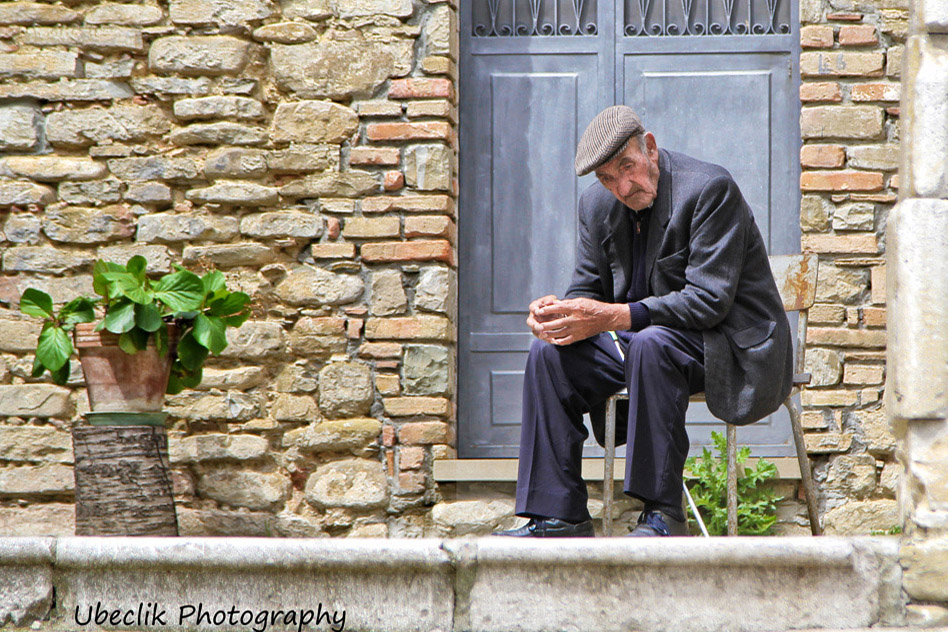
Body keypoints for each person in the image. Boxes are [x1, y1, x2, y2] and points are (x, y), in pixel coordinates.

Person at [494, 105, 793, 537]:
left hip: (727, 342)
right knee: (548, 353)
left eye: (627, 168)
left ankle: (663, 515)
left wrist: (614, 316)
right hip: (643, 342)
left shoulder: (710, 189)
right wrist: (559, 316)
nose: (622, 187)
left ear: (649, 148)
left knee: (652, 342)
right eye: (607, 179)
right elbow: (587, 291)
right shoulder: (597, 205)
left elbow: (709, 301)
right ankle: (558, 515)